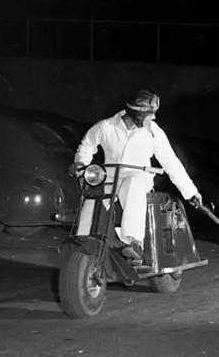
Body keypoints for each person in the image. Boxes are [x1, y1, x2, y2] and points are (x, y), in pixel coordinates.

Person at [73, 90, 202, 265]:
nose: (153, 117)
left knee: (132, 183)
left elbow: (171, 162)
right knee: (91, 196)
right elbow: (86, 146)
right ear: (138, 114)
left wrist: (191, 191)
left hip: (139, 180)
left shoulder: (154, 133)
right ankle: (81, 243)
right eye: (150, 114)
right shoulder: (106, 126)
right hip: (109, 181)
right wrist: (82, 169)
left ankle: (134, 243)